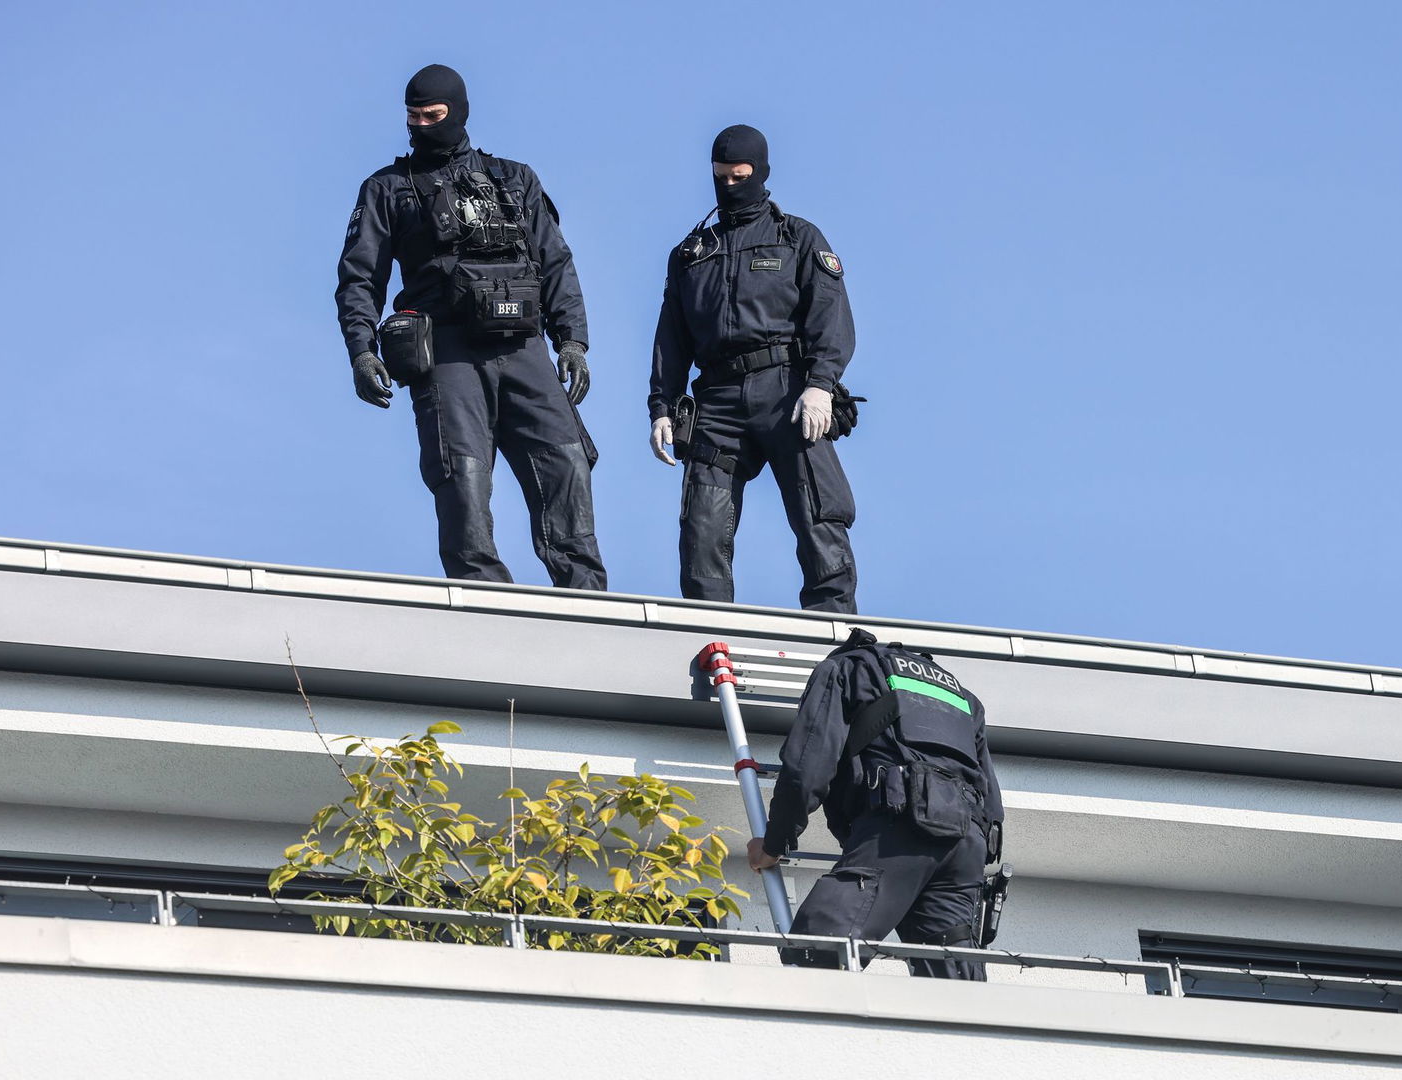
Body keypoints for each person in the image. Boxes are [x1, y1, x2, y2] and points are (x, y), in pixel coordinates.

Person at [336, 64, 607, 589]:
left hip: (524, 345)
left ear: (457, 112)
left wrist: (571, 340)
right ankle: (486, 596)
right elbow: (359, 278)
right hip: (448, 351)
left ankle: (586, 598)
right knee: (461, 475)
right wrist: (362, 350)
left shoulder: (515, 178)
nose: (421, 127)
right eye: (412, 118)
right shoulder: (387, 189)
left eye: (433, 116)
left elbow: (555, 263)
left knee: (565, 462)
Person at [648, 125, 858, 612]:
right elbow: (670, 337)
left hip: (786, 390)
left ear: (761, 173)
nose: (730, 187)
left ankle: (835, 629)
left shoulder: (798, 238)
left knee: (818, 514)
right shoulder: (691, 253)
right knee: (702, 527)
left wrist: (822, 385)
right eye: (721, 177)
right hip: (717, 401)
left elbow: (831, 314)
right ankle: (712, 628)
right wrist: (662, 406)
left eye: (741, 177)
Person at [747, 628, 1005, 979]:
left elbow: (807, 766)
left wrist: (774, 843)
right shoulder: (962, 696)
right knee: (955, 985)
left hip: (899, 827)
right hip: (966, 849)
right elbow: (988, 794)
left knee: (818, 953)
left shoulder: (846, 668)